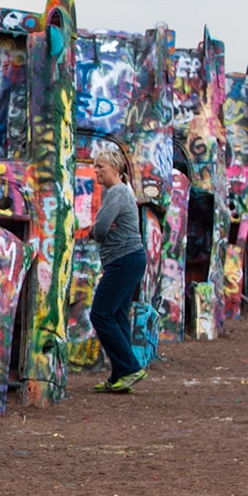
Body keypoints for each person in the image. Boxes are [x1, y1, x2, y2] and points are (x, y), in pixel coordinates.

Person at [88, 142, 148, 392]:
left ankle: (130, 368)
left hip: (123, 260)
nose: (96, 171)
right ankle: (120, 377)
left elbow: (101, 228)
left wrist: (93, 230)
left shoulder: (117, 193)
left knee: (100, 314)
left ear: (114, 168)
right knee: (118, 315)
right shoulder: (121, 192)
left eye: (100, 166)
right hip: (129, 259)